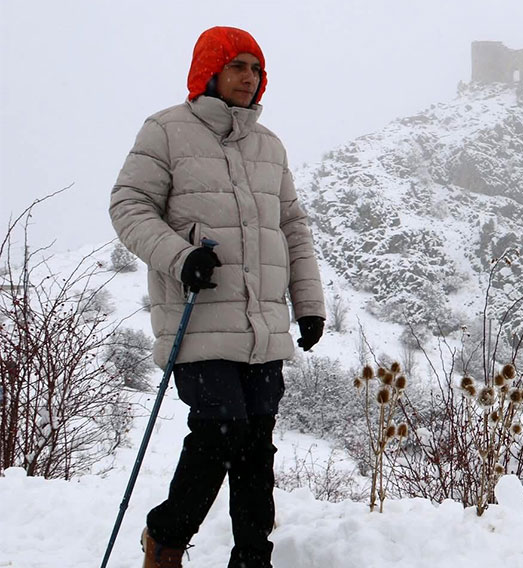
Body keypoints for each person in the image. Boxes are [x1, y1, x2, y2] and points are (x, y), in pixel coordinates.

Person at [109, 26, 326, 568]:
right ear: (210, 71)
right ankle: (165, 538)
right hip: (198, 321)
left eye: (256, 68)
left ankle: (253, 558)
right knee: (220, 428)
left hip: (263, 327)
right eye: (237, 66)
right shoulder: (165, 131)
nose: (248, 78)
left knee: (256, 444)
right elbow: (128, 206)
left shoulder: (269, 145)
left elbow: (293, 228)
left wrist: (310, 305)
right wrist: (181, 257)